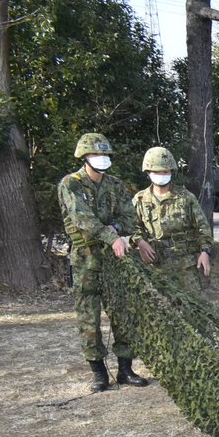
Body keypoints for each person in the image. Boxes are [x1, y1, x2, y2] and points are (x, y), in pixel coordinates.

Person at [58, 133, 153, 393]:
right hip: (87, 260)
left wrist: (117, 228)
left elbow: (129, 217)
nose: (101, 159)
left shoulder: (115, 184)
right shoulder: (71, 184)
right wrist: (112, 236)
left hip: (115, 258)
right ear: (84, 157)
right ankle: (98, 373)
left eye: (105, 155)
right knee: (88, 317)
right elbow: (83, 219)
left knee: (122, 313)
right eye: (95, 155)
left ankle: (125, 369)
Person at [133, 146, 214, 292]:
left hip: (184, 266)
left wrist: (205, 252)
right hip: (154, 267)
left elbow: (203, 228)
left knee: (192, 308)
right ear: (148, 172)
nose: (161, 174)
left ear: (171, 171)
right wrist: (140, 241)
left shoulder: (186, 197)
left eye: (165, 171)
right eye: (156, 171)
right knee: (160, 310)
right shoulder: (140, 200)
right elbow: (132, 226)